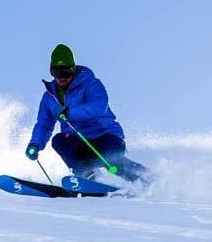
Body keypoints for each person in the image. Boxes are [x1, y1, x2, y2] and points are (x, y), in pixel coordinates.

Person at [25, 44, 148, 182]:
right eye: (58, 73)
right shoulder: (49, 98)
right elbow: (44, 125)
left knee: (111, 161)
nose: (62, 77)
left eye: (66, 72)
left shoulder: (91, 84)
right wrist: (35, 144)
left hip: (106, 136)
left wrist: (70, 112)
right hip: (78, 143)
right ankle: (88, 178)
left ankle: (144, 179)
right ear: (51, 72)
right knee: (59, 140)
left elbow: (99, 107)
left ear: (74, 69)